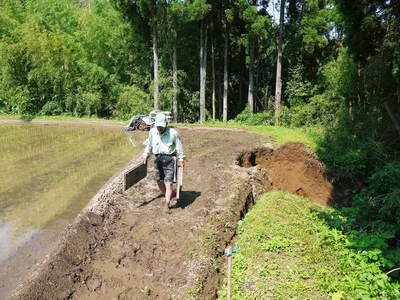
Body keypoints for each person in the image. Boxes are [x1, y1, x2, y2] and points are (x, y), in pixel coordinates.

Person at [142, 113, 185, 209]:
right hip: (157, 159)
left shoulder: (173, 133)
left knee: (168, 182)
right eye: (158, 126)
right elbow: (149, 145)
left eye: (161, 126)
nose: (159, 128)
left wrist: (181, 159)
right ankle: (167, 195)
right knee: (159, 181)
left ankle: (167, 204)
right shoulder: (152, 132)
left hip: (170, 159)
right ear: (155, 124)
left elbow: (179, 147)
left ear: (165, 124)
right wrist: (146, 155)